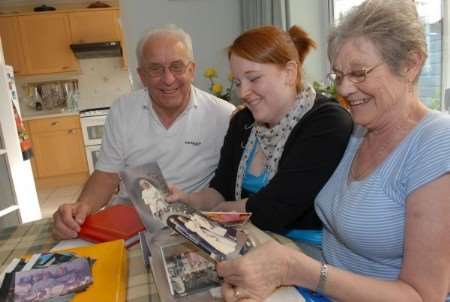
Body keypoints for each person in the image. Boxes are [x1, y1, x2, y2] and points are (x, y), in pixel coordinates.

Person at [216, 1, 450, 301]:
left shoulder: (436, 142)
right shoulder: (355, 130)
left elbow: (422, 295)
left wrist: (299, 269)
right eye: (339, 75)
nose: (345, 89)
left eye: (359, 73)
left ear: (411, 64)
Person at [52, 24, 235, 239]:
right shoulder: (122, 110)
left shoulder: (224, 116)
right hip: (128, 222)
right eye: (155, 69)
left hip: (191, 225)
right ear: (141, 75)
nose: (168, 79)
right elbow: (106, 176)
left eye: (177, 66)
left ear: (191, 70)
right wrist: (80, 209)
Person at [167, 25, 353, 233]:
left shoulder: (327, 122)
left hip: (308, 249)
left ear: (290, 73)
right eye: (237, 82)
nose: (244, 92)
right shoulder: (243, 121)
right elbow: (220, 189)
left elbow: (278, 207)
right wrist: (189, 200)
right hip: (251, 237)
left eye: (254, 78)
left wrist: (226, 211)